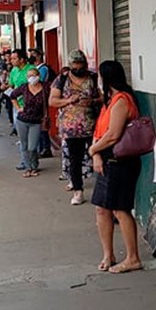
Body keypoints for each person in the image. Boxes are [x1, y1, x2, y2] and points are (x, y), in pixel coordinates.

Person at [87, 60, 142, 273]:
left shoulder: (121, 100)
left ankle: (133, 257)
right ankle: (108, 254)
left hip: (121, 162)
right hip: (107, 159)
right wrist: (96, 152)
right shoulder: (109, 101)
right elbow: (100, 131)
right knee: (102, 209)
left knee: (120, 209)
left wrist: (93, 151)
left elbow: (113, 135)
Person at [49, 49, 102, 205]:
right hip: (71, 128)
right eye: (75, 65)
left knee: (98, 157)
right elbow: (52, 101)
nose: (78, 68)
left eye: (81, 65)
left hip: (93, 125)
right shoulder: (62, 79)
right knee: (75, 160)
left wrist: (92, 101)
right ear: (70, 64)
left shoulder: (93, 77)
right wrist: (68, 101)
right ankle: (78, 191)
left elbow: (103, 96)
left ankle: (102, 190)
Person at [10, 68, 51, 178]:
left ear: (38, 76)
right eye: (29, 76)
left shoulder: (46, 87)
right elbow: (12, 95)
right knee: (24, 145)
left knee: (33, 146)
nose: (31, 78)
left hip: (37, 121)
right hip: (22, 120)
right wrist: (18, 108)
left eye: (33, 75)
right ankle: (29, 168)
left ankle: (34, 165)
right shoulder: (24, 87)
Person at [28, 47, 54, 158]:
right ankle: (41, 147)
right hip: (35, 99)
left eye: (33, 54)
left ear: (39, 56)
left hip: (42, 98)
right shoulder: (34, 68)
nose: (31, 56)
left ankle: (46, 148)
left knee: (42, 124)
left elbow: (39, 82)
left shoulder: (43, 69)